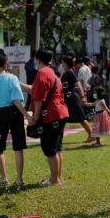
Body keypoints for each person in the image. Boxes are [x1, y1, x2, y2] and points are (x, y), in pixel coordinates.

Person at [0, 53, 32, 187]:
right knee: (18, 147)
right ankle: (19, 180)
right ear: (6, 64)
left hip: (0, 116)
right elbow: (16, 100)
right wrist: (27, 116)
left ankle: (4, 178)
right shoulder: (12, 78)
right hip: (15, 113)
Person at [21, 49, 69, 186]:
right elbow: (36, 89)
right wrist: (18, 84)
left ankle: (54, 180)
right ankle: (58, 177)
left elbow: (38, 98)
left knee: (49, 148)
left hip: (51, 115)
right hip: (60, 113)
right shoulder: (50, 72)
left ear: (37, 59)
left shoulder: (41, 73)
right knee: (56, 147)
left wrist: (35, 117)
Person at [60, 56, 93, 142]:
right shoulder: (67, 72)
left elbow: (78, 85)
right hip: (67, 99)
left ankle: (92, 135)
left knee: (81, 118)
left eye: (62, 62)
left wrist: (82, 97)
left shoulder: (70, 73)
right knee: (62, 119)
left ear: (66, 63)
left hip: (73, 99)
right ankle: (58, 138)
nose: (62, 64)